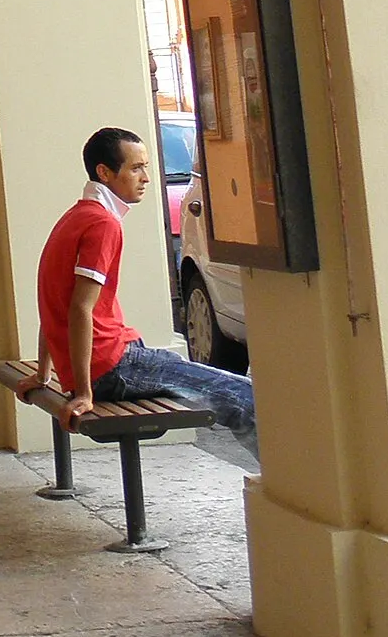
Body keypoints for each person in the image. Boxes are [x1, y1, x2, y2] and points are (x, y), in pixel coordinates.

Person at [22, 126, 258, 448]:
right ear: (104, 173)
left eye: (145, 167)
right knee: (243, 395)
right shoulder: (103, 224)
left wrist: (44, 373)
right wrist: (84, 392)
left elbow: (52, 305)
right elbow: (78, 308)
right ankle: (285, 485)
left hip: (110, 361)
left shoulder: (73, 217)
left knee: (226, 389)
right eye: (136, 168)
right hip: (113, 366)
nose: (146, 177)